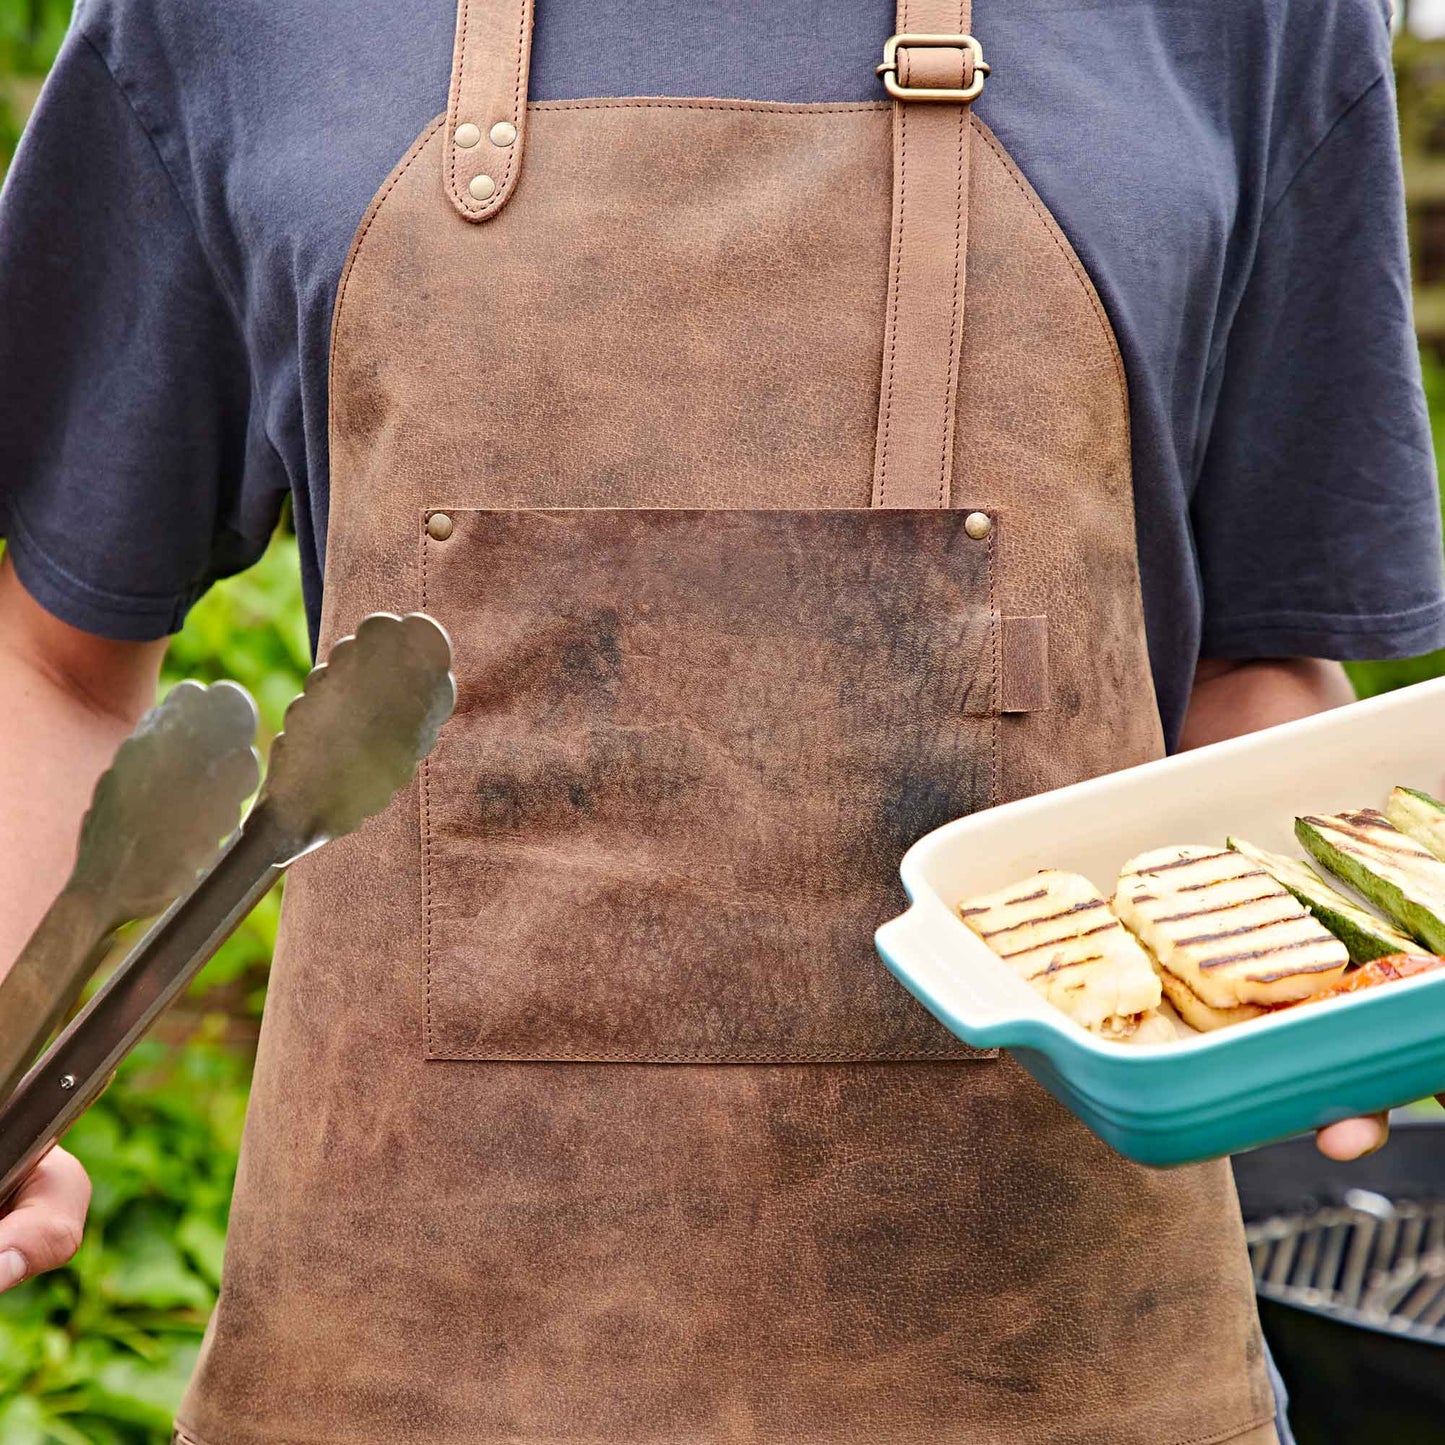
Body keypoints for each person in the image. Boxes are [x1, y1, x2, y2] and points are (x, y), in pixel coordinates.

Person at [0, 0, 1439, 1440]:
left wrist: (1349, 1001)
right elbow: (54, 659)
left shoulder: (1251, 19)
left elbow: (1247, 678)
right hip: (388, 1384)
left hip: (1073, 1382)